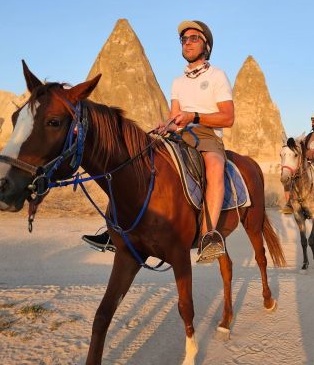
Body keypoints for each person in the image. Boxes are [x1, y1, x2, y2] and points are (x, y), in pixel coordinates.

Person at [82, 20, 234, 264]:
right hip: (180, 136)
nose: (187, 42)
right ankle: (117, 229)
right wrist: (167, 125)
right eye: (184, 39)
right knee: (133, 162)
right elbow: (176, 117)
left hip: (207, 136)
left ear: (206, 45)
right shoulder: (178, 82)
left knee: (215, 166)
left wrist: (193, 116)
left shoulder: (217, 76)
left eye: (194, 38)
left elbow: (228, 117)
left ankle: (209, 235)